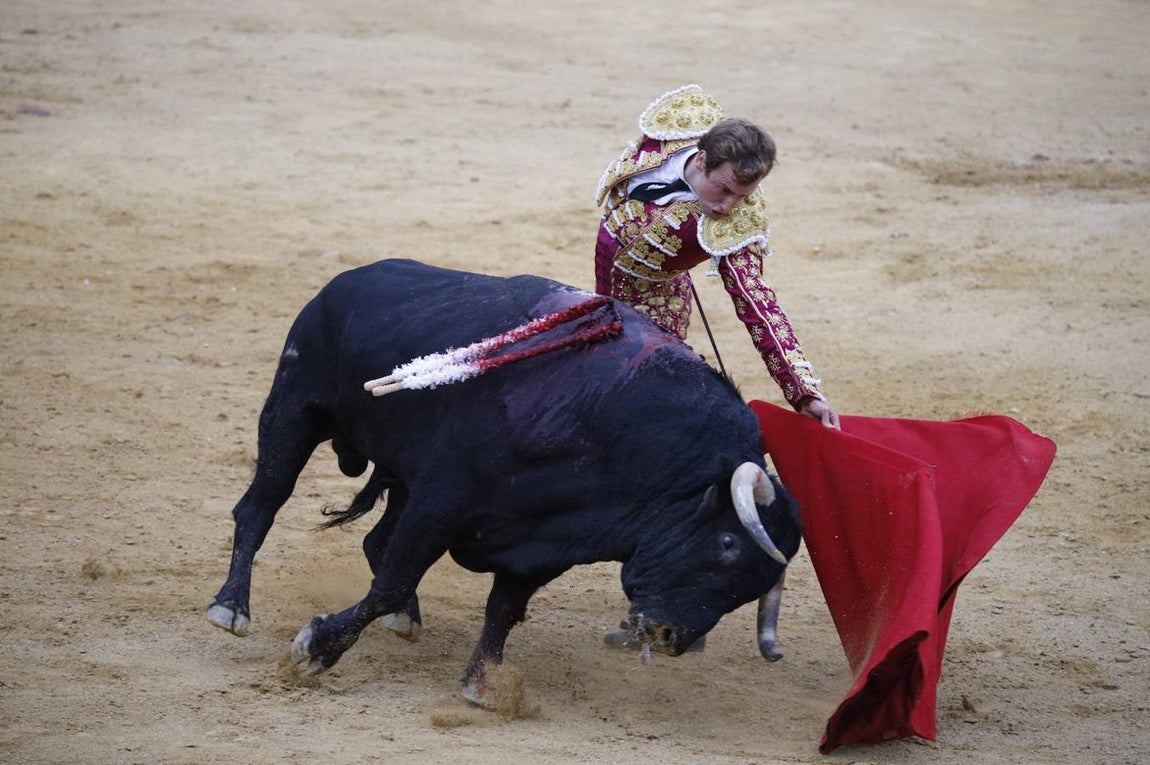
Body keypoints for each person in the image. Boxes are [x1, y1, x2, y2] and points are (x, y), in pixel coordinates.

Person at [594, 84, 839, 429]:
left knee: (637, 392)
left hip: (654, 304)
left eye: (743, 196)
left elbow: (758, 305)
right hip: (608, 273)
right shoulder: (674, 131)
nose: (728, 207)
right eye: (724, 190)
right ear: (701, 159)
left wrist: (803, 391)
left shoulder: (735, 225)